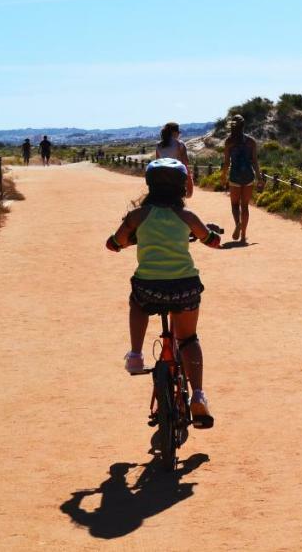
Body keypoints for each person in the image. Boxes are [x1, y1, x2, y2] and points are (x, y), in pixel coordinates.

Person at [106, 158, 221, 427]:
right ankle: (199, 396)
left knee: (137, 302)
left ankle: (135, 355)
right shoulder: (187, 217)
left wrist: (120, 242)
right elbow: (212, 242)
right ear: (182, 187)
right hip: (184, 289)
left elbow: (115, 243)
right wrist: (212, 235)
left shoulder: (138, 216)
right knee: (189, 339)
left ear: (150, 184)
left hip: (150, 289)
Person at [222, 115, 259, 243]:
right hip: (248, 175)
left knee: (234, 204)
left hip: (235, 175)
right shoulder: (251, 141)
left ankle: (238, 223)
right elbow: (254, 161)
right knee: (245, 206)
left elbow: (226, 162)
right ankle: (243, 235)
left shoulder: (229, 141)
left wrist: (223, 177)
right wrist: (259, 177)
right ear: (244, 126)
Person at [155, 122, 194, 199]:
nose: (179, 135)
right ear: (174, 132)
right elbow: (185, 163)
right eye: (178, 132)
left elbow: (157, 162)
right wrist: (189, 179)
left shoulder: (158, 145)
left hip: (162, 176)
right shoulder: (180, 144)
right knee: (180, 199)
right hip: (176, 175)